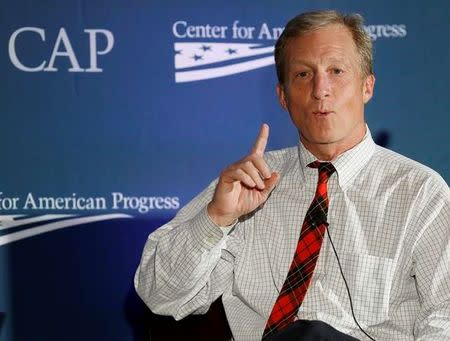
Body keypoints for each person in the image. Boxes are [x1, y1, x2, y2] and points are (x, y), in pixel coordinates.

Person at [135, 10, 450, 340]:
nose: (320, 90)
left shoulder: (421, 194)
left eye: (336, 71)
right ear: (283, 97)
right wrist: (217, 219)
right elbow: (160, 297)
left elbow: (444, 319)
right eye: (302, 74)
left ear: (366, 87)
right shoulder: (247, 185)